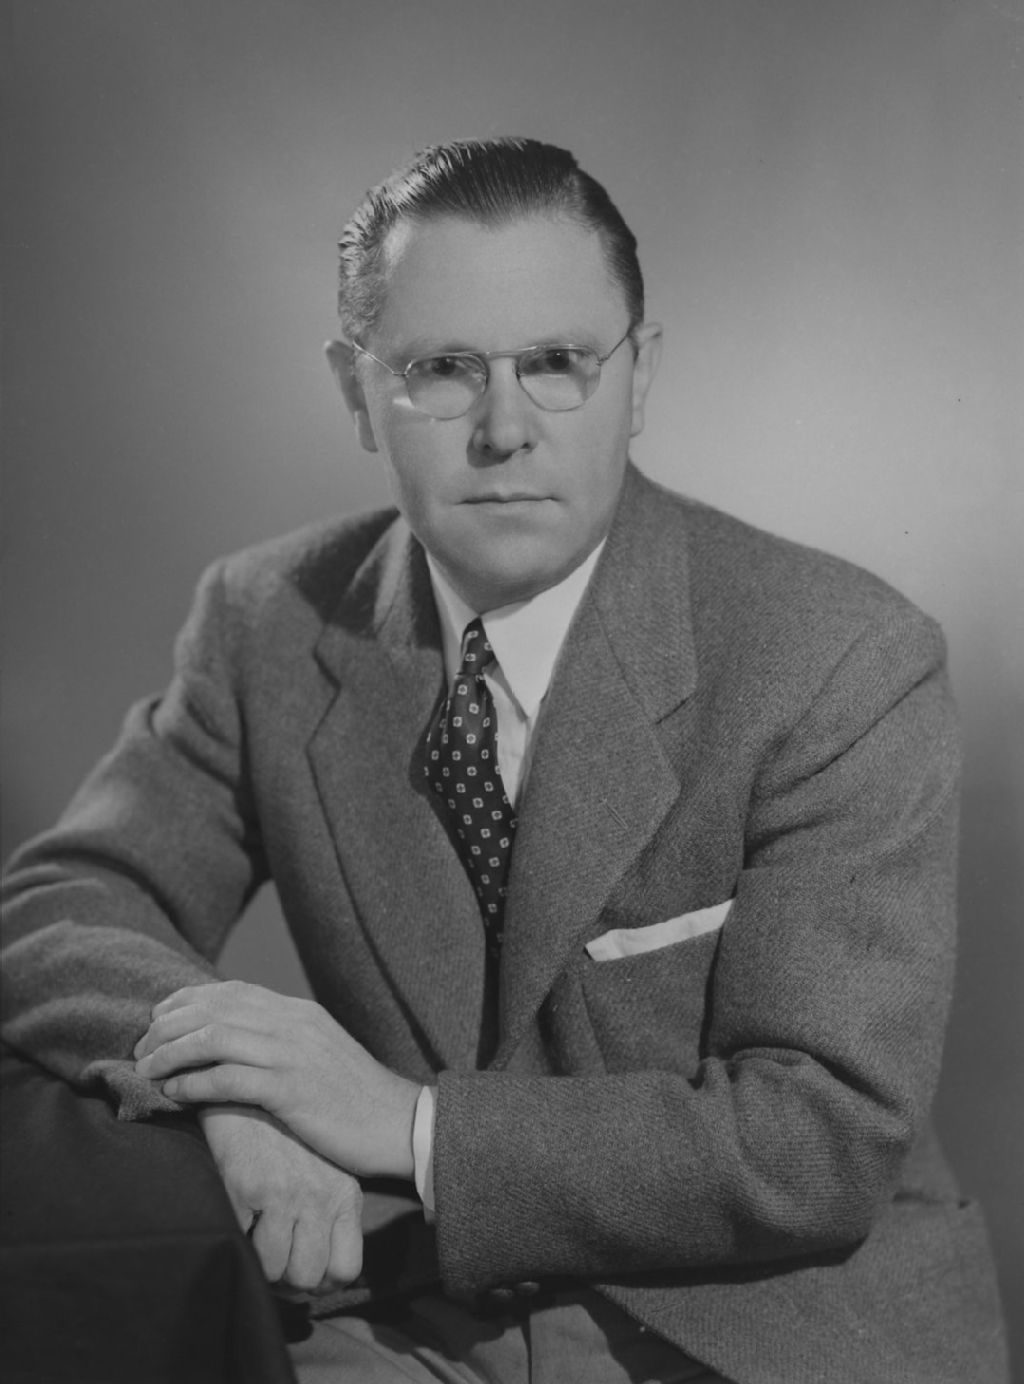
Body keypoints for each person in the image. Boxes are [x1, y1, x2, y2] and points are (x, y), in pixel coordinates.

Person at [1, 138, 1010, 1383]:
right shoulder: (270, 621)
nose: (503, 429)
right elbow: (62, 905)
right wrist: (231, 1084)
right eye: (440, 370)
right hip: (413, 1317)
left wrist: (404, 1122)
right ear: (355, 391)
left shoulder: (837, 654)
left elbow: (817, 1138)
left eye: (556, 363)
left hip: (761, 1329)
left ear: (638, 378)